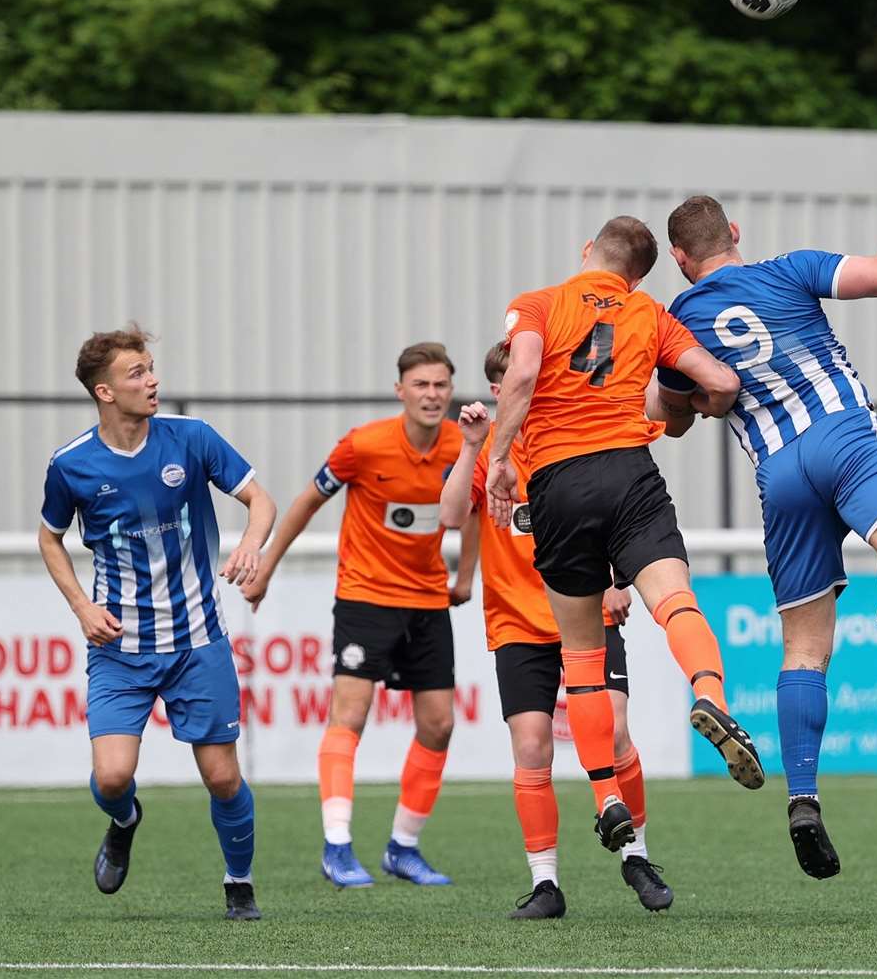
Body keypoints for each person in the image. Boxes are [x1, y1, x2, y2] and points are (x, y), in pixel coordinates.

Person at [659, 193, 877, 881]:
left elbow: (675, 418)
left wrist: (693, 398)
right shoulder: (789, 270)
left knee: (803, 647)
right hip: (840, 434)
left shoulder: (674, 323)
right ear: (734, 233)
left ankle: (802, 798)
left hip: (779, 470)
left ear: (679, 260)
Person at [484, 215, 763, 860]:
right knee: (677, 603)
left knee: (581, 656)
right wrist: (698, 407)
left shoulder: (538, 304)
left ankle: (607, 797)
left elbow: (522, 374)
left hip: (559, 481)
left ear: (588, 251)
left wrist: (501, 456)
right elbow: (721, 383)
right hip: (631, 472)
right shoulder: (653, 314)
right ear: (640, 272)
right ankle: (710, 696)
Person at [37, 324, 276, 920]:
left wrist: (252, 544)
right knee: (113, 777)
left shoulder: (191, 440)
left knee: (222, 778)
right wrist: (81, 607)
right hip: (121, 648)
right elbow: (49, 537)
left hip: (198, 641)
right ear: (105, 392)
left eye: (150, 368)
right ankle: (124, 820)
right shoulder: (72, 465)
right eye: (136, 373)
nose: (152, 380)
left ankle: (238, 883)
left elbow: (261, 501)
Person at [442, 341, 673, 919]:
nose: (509, 392)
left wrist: (619, 579)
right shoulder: (491, 452)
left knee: (616, 733)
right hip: (517, 624)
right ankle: (546, 884)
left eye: (518, 380)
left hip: (586, 614)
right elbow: (448, 515)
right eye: (499, 384)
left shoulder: (576, 435)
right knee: (531, 747)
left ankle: (637, 857)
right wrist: (472, 446)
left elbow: (617, 506)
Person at [243, 342, 469, 888]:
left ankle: (403, 848)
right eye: (421, 385)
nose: (432, 395)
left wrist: (466, 576)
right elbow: (304, 502)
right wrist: (267, 565)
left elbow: (477, 505)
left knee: (439, 724)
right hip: (366, 597)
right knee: (350, 715)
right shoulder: (363, 446)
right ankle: (337, 846)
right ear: (401, 391)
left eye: (441, 385)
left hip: (428, 601)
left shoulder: (464, 444)